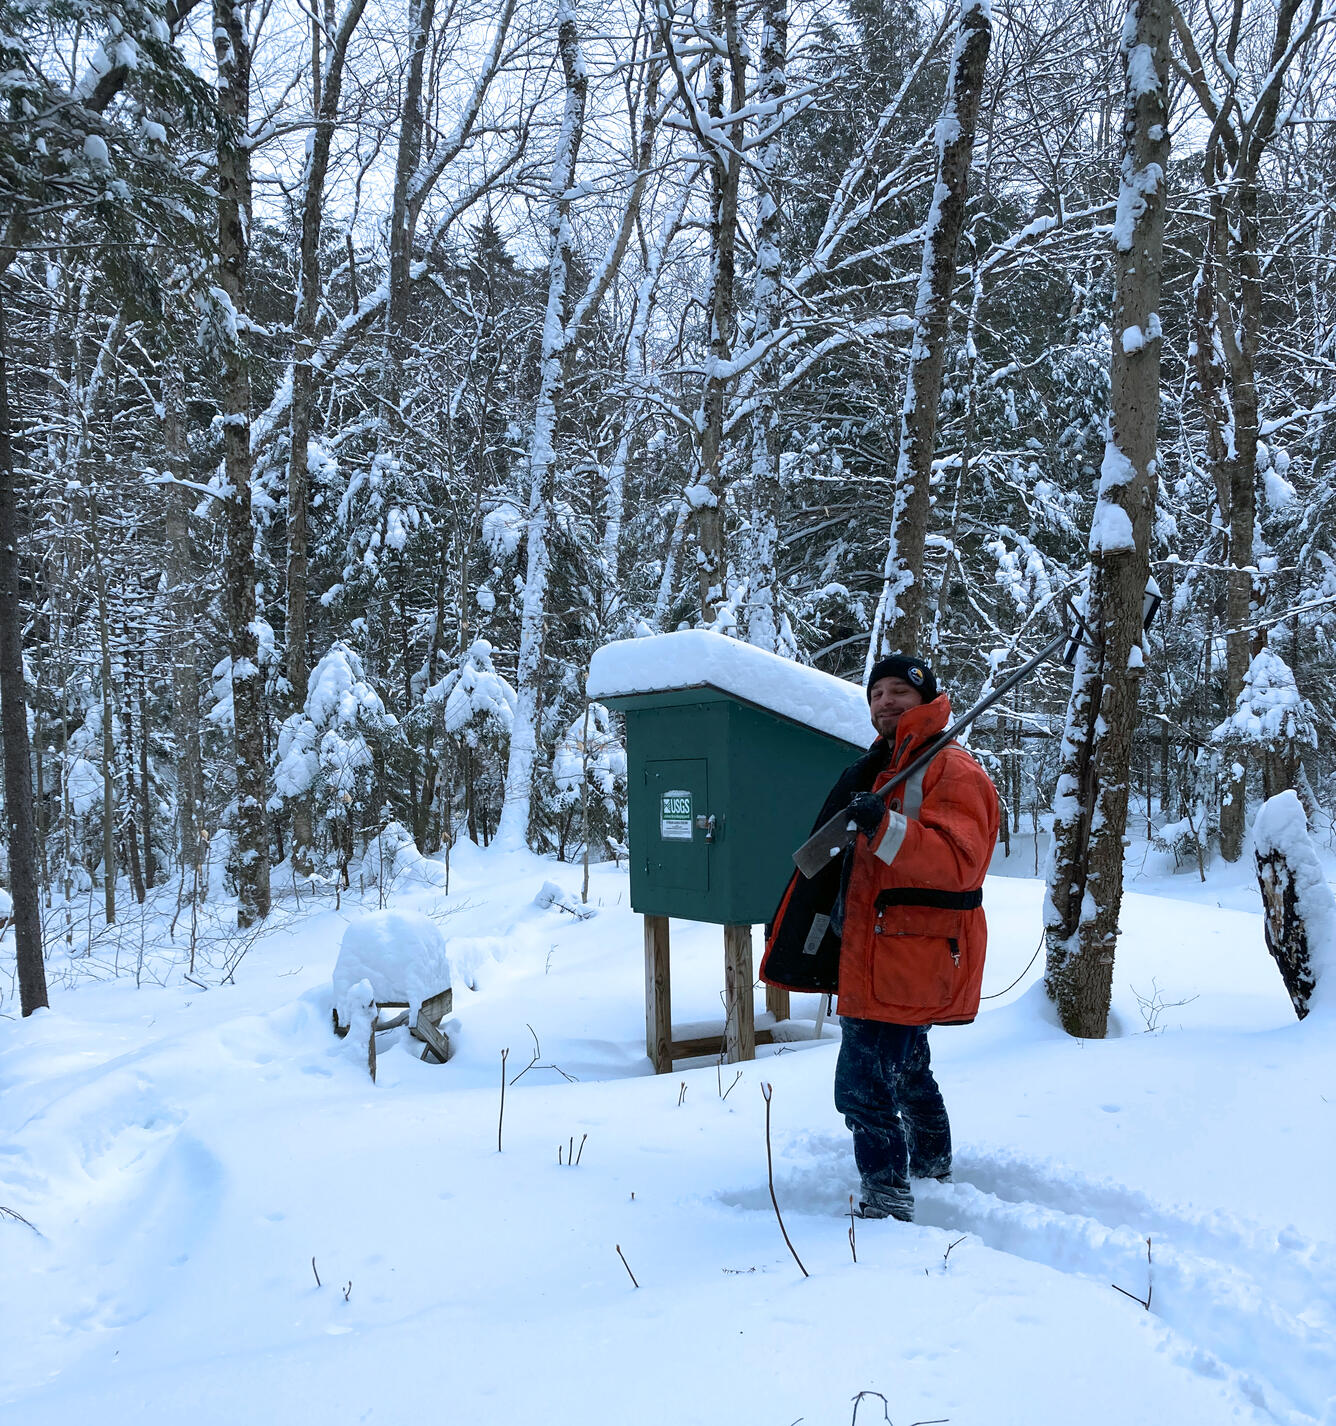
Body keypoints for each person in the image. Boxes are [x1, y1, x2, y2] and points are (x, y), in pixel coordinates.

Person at [760, 654, 999, 1222]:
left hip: (909, 956)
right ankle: (933, 1166)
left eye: (899, 691)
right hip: (876, 953)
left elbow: (961, 862)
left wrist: (882, 825)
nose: (885, 701)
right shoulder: (878, 767)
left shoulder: (952, 769)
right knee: (908, 1068)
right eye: (876, 694)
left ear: (926, 701)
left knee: (863, 1085)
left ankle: (887, 1200)